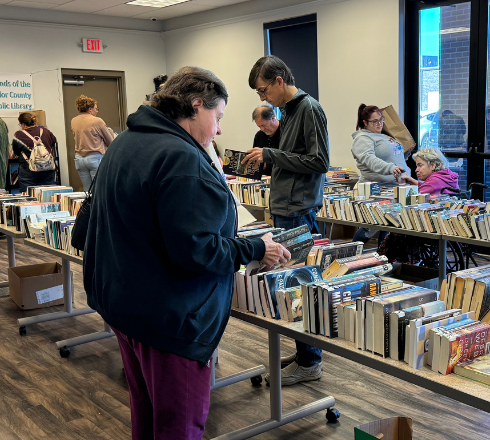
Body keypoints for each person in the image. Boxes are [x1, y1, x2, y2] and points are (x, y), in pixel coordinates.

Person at [83, 66, 290, 440]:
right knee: (179, 426)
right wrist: (256, 247)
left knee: (146, 417)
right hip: (169, 318)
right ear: (196, 106)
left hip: (126, 305)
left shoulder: (127, 142)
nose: (219, 130)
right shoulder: (181, 158)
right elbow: (196, 250)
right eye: (218, 117)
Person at [244, 55, 329, 386]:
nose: (263, 98)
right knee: (289, 283)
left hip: (298, 208)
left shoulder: (309, 109)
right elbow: (294, 158)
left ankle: (311, 360)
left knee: (299, 283)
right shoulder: (290, 111)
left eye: (263, 90)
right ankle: (305, 353)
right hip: (286, 205)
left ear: (280, 80)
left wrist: (270, 154)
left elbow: (319, 161)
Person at [351, 104, 411, 244]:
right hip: (378, 190)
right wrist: (391, 168)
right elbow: (369, 160)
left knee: (389, 224)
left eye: (381, 119)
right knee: (372, 226)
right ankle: (350, 254)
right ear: (365, 122)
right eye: (375, 121)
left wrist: (405, 155)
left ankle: (384, 258)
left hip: (394, 188)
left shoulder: (383, 136)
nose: (380, 123)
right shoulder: (362, 139)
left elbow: (392, 158)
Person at [70, 95, 115, 191]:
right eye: (96, 108)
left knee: (87, 191)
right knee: (99, 190)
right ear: (90, 109)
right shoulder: (97, 121)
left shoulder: (73, 121)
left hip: (79, 160)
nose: (97, 111)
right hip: (95, 159)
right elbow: (110, 142)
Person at [11, 112, 58, 193]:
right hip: (48, 169)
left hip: (28, 170)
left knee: (27, 198)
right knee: (47, 197)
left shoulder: (18, 135)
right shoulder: (46, 131)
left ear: (23, 124)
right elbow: (54, 142)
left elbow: (16, 152)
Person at [251, 104, 281, 175]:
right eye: (259, 126)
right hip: (265, 179)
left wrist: (267, 163)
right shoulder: (259, 135)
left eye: (263, 125)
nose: (262, 129)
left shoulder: (287, 132)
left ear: (273, 118)